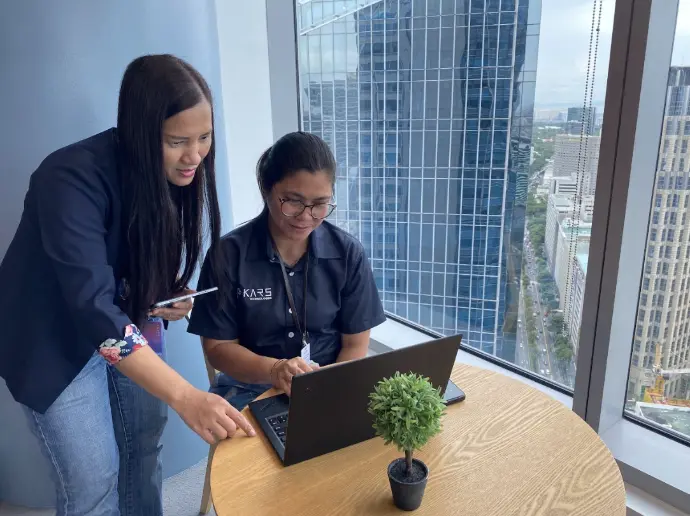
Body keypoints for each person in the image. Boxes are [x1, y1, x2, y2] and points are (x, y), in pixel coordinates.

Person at [0, 54, 254, 516]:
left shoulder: (173, 172)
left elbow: (129, 261)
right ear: (140, 132)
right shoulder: (67, 177)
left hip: (122, 322)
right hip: (50, 339)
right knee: (94, 481)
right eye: (177, 141)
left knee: (144, 441)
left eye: (204, 137)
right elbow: (92, 306)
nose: (195, 155)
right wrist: (186, 395)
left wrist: (162, 292)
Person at [188, 132, 386, 410]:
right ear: (266, 189)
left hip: (327, 385)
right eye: (293, 201)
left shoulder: (348, 253)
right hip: (249, 390)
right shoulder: (228, 255)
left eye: (320, 204)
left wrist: (328, 393)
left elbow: (354, 345)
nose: (306, 216)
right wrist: (274, 370)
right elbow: (218, 349)